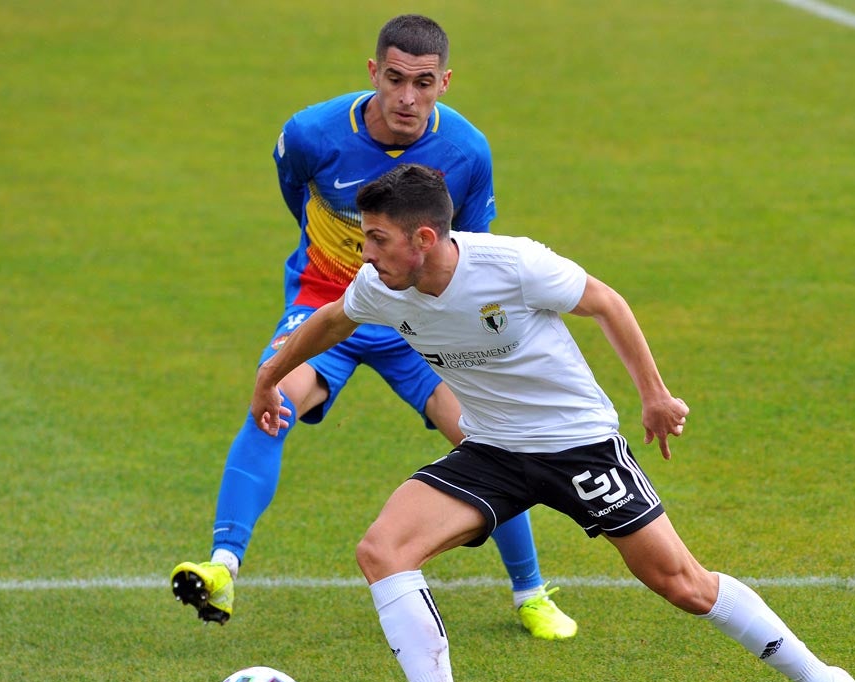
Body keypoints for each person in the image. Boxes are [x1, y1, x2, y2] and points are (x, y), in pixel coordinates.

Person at [249, 163, 855, 682]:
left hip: (577, 445)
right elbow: (332, 320)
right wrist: (270, 378)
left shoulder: (512, 264)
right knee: (382, 548)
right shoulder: (381, 287)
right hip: (492, 452)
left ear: (423, 237)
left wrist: (653, 394)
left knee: (681, 583)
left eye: (377, 239)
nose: (365, 252)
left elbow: (606, 303)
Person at [169, 14, 576, 640]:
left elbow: (470, 247)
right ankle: (223, 567)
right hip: (330, 300)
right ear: (372, 73)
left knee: (487, 439)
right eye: (394, 79)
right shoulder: (310, 134)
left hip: (421, 317)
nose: (407, 98)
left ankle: (530, 592)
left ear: (444, 81)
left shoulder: (467, 152)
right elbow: (295, 202)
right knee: (272, 401)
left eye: (423, 82)